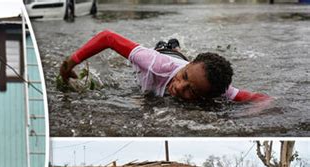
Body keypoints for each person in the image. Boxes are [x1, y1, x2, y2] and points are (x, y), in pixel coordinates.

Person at [60, 30, 271, 102]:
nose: (180, 87)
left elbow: (256, 98)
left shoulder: (217, 88)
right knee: (166, 49)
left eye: (192, 91)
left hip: (181, 62)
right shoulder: (153, 64)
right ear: (190, 66)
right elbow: (107, 37)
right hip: (164, 57)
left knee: (177, 55)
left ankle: (174, 47)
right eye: (184, 78)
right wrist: (71, 62)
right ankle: (170, 46)